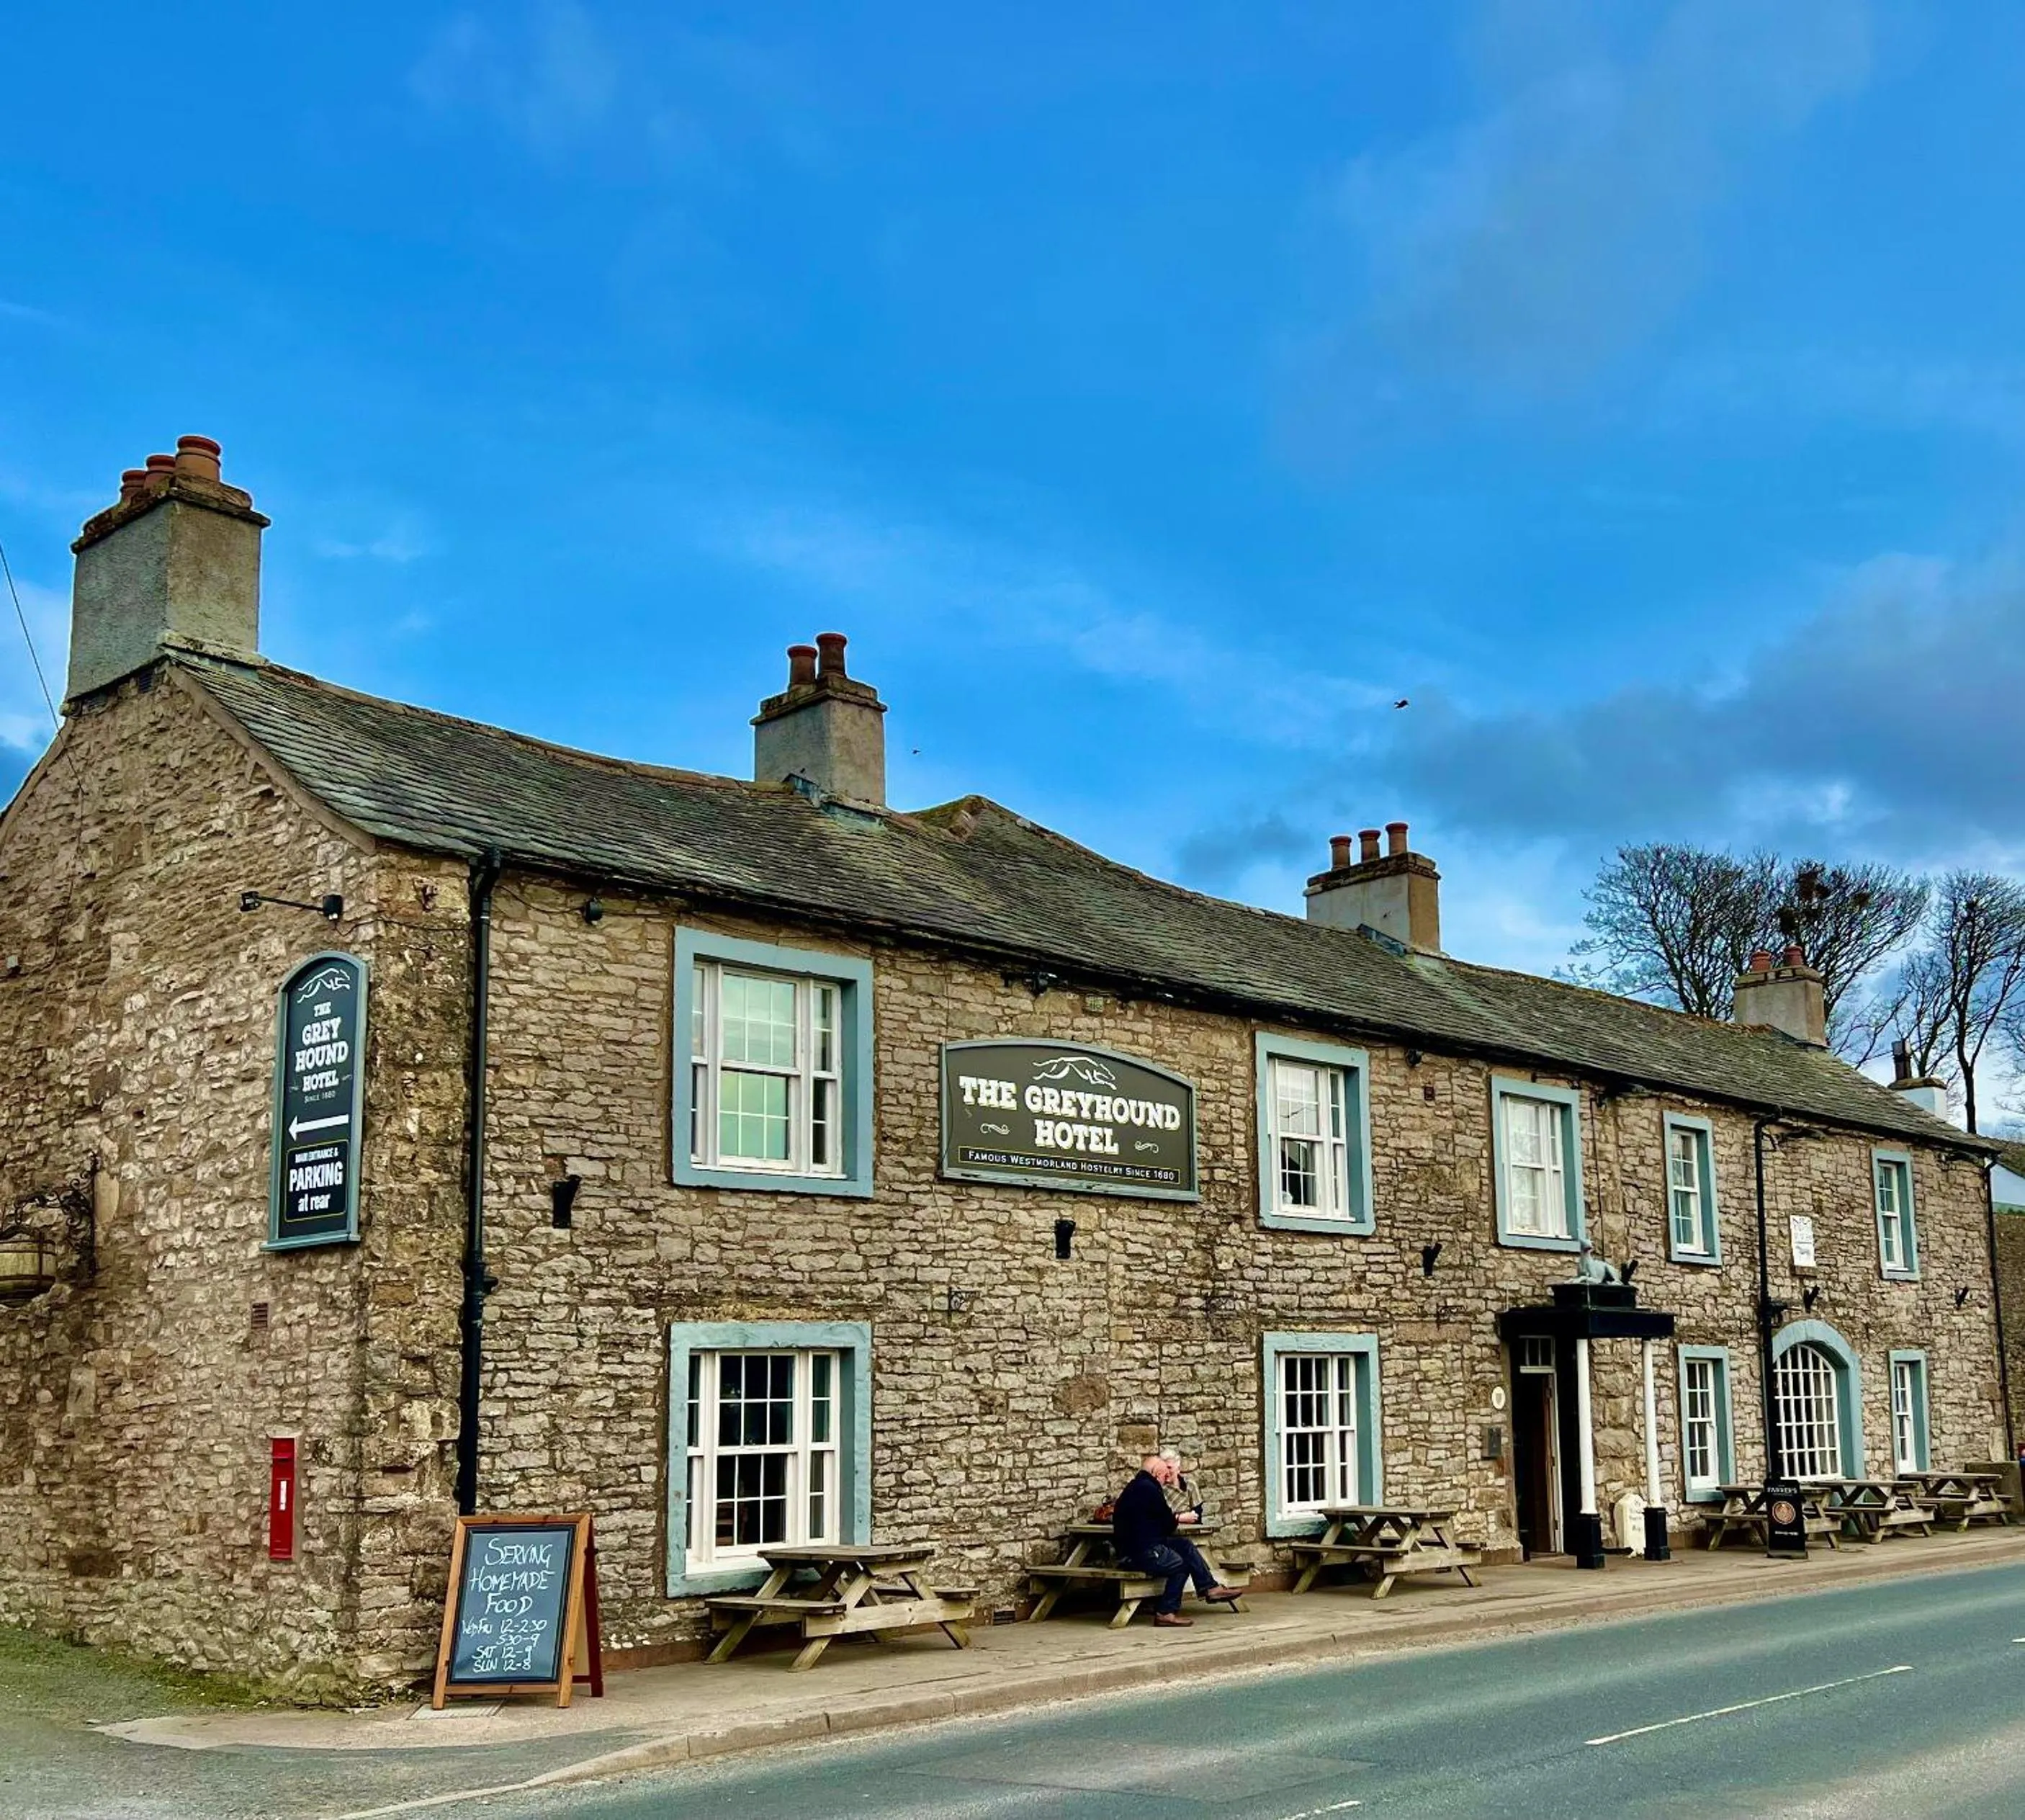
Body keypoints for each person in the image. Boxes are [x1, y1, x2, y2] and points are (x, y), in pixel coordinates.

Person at [1113, 1453, 1239, 1627]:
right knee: (1180, 1566)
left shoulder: (1134, 1487)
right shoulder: (1150, 1489)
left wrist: (1170, 1520)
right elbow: (1167, 1524)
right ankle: (1166, 1612)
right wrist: (1177, 1518)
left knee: (1184, 1545)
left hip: (1136, 1548)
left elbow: (1158, 1523)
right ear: (1156, 1473)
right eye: (1165, 1476)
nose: (1166, 1480)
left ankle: (1209, 1587)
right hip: (1140, 1552)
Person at [1160, 1449, 1205, 1525]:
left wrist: (1192, 1517)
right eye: (1163, 1468)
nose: (1166, 1472)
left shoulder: (1190, 1485)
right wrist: (1180, 1518)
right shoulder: (1157, 1488)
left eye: (1169, 1468)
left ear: (1179, 1469)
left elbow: (1197, 1516)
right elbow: (1158, 1518)